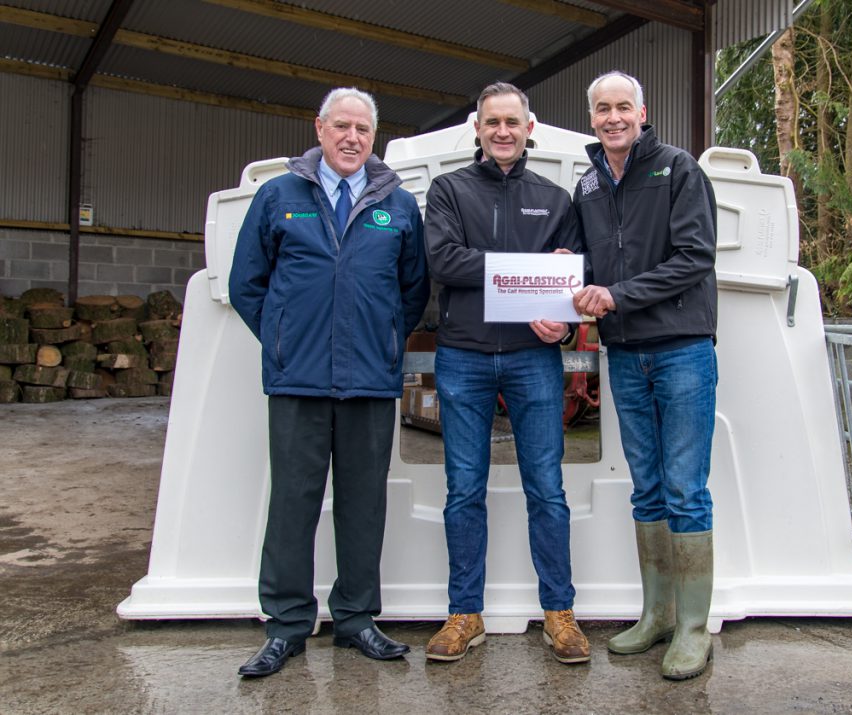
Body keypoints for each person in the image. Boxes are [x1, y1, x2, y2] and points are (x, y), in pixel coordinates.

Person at [229, 87, 430, 678]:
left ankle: (357, 619)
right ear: (319, 129)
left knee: (363, 504)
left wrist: (383, 338)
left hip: (369, 379)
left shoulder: (398, 204)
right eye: (341, 126)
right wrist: (285, 338)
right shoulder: (279, 196)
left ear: (374, 137)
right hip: (299, 380)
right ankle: (286, 625)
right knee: (292, 503)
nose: (351, 138)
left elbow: (413, 291)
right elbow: (247, 284)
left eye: (362, 129)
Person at [422, 82, 590, 664]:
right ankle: (465, 614)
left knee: (547, 488)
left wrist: (563, 326)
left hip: (532, 358)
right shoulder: (448, 190)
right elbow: (444, 260)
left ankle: (559, 613)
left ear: (528, 127)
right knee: (463, 489)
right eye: (492, 121)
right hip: (463, 355)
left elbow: (570, 284)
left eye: (511, 122)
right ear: (477, 127)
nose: (502, 131)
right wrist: (528, 269)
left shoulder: (555, 199)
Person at [571, 71, 718, 680]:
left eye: (623, 107)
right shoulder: (587, 184)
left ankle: (693, 627)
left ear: (642, 111)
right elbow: (587, 261)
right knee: (648, 488)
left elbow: (695, 257)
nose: (613, 118)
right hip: (626, 353)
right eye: (603, 109)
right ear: (592, 117)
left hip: (682, 349)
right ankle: (657, 614)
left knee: (686, 489)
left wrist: (617, 296)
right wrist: (567, 270)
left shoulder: (677, 169)